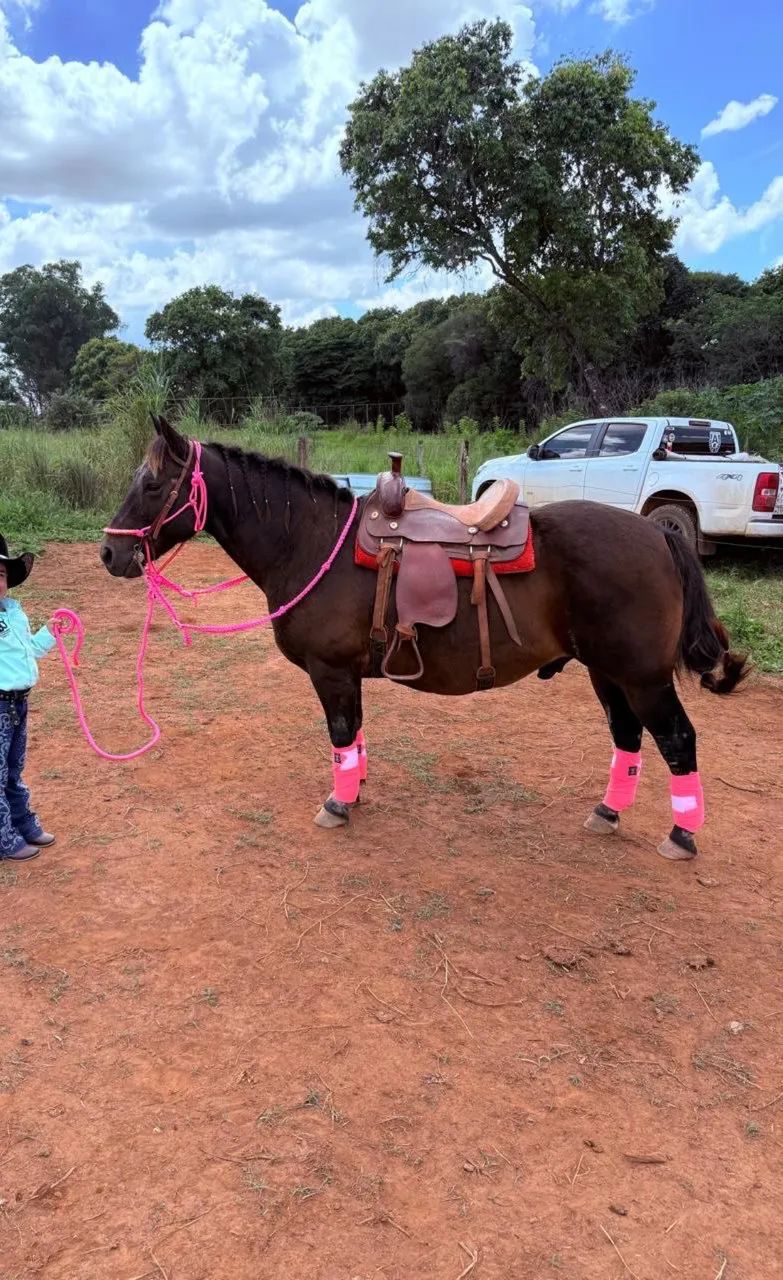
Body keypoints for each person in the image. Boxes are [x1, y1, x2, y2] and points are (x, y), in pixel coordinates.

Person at [0, 534, 57, 861]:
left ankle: (21, 823)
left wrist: (48, 632)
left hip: (18, 705)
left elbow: (30, 650)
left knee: (12, 770)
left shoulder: (14, 613)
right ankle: (3, 837)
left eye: (2, 574)